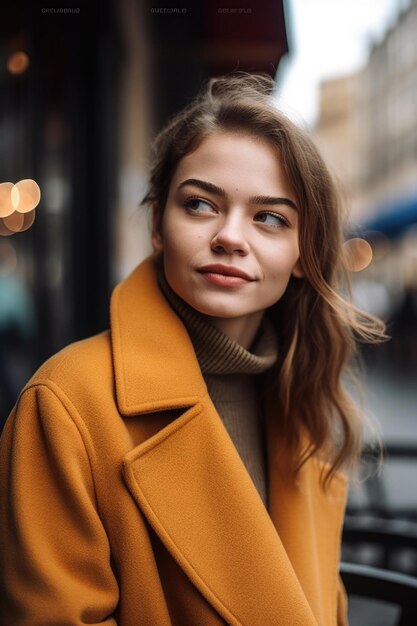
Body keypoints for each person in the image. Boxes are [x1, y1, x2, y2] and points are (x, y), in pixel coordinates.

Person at [0, 73, 385, 625]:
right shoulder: (67, 405)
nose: (231, 236)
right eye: (201, 205)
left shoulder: (304, 402)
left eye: (270, 218)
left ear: (303, 253)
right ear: (158, 223)